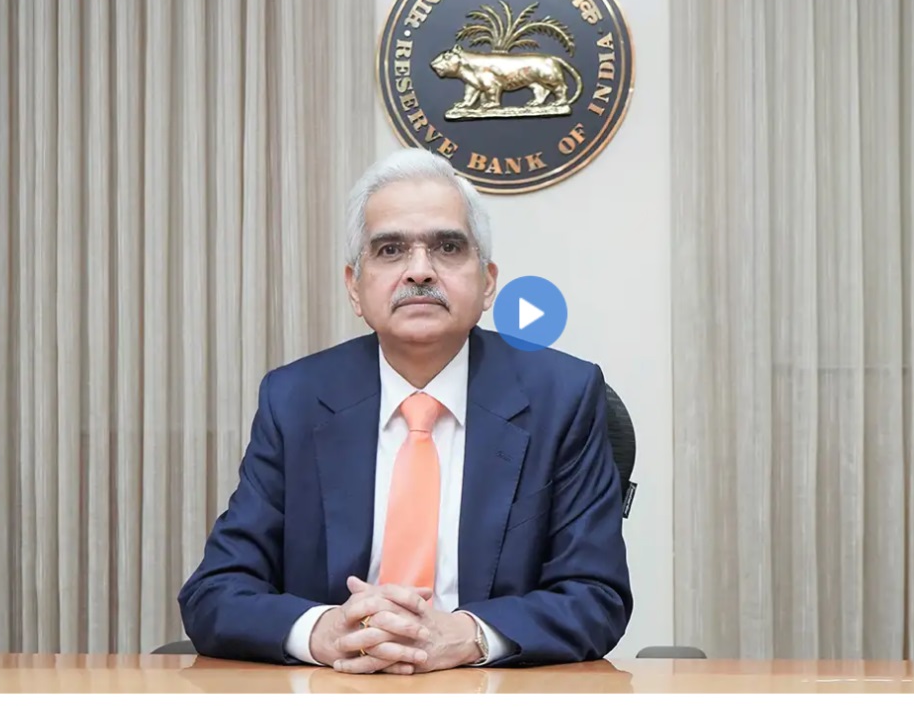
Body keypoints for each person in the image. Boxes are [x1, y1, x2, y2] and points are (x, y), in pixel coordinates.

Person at [177, 147, 633, 673]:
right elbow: (215, 592)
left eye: (447, 247)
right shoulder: (295, 399)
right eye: (390, 250)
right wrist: (321, 632)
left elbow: (596, 595)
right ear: (355, 287)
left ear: (487, 282)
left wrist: (468, 636)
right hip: (334, 693)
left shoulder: (563, 396)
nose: (419, 271)